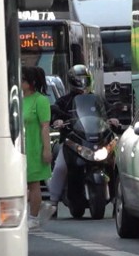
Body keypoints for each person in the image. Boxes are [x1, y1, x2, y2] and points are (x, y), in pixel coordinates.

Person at [39, 64, 94, 221]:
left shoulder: (94, 99)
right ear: (71, 81)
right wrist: (58, 120)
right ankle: (53, 202)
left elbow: (105, 110)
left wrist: (112, 118)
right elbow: (54, 111)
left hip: (91, 142)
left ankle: (119, 197)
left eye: (85, 80)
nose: (82, 83)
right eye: (79, 80)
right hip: (71, 142)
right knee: (60, 167)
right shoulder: (64, 100)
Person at [22, 66, 52, 229]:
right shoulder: (17, 99)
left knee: (33, 184)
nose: (19, 82)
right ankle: (37, 208)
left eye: (23, 79)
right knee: (20, 184)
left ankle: (33, 217)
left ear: (32, 82)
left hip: (34, 147)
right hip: (19, 148)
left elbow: (45, 127)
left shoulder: (40, 100)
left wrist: (46, 150)